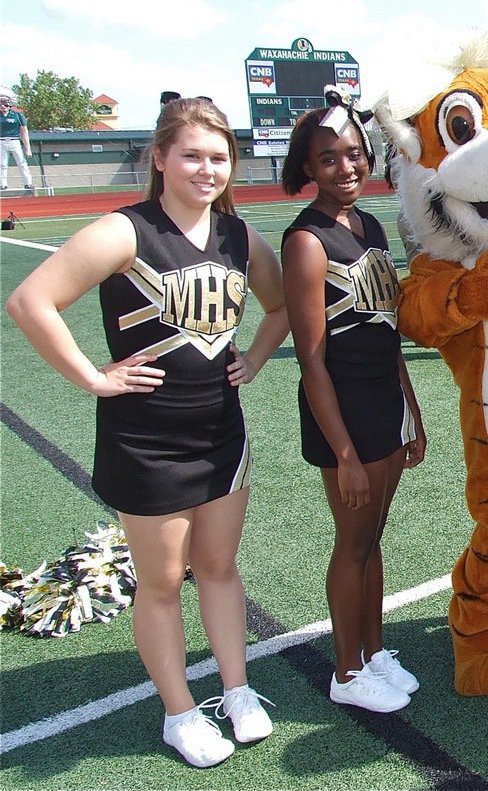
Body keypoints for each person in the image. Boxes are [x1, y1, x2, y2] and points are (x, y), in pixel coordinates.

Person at [5, 97, 289, 768]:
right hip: (146, 440)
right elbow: (30, 301)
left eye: (220, 157)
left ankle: (238, 691)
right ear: (159, 158)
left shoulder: (240, 237)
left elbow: (279, 306)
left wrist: (255, 351)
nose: (207, 169)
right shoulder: (125, 232)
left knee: (218, 568)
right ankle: (179, 712)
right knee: (162, 582)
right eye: (191, 154)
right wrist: (91, 377)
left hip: (222, 432)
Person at [280, 90, 426, 713]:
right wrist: (341, 450)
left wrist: (411, 408)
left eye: (355, 154)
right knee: (353, 542)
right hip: (342, 414)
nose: (347, 168)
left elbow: (389, 332)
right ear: (308, 168)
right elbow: (311, 358)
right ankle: (346, 672)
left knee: (374, 538)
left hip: (383, 403)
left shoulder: (367, 225)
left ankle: (373, 650)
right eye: (330, 159)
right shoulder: (306, 241)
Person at [0, 95, 35, 194]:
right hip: (1, 141)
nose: (2, 106)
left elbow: (24, 131)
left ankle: (28, 183)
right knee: (2, 164)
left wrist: (27, 148)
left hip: (14, 141)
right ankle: (3, 184)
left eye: (4, 103)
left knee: (22, 162)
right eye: (0, 104)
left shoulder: (17, 115)